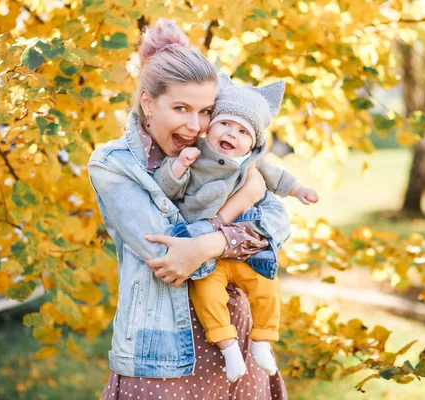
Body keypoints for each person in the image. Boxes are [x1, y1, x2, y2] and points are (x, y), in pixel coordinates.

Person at [88, 19, 290, 398]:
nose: (196, 126)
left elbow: (277, 224)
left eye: (206, 111)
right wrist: (236, 213)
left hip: (240, 340)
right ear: (148, 101)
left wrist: (209, 242)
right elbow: (168, 255)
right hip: (163, 356)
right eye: (181, 108)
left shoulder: (221, 154)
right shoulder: (115, 165)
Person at [153, 74, 319, 382]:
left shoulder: (252, 164)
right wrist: (178, 167)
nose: (232, 134)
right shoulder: (196, 155)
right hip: (207, 256)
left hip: (243, 252)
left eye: (243, 131)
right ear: (211, 126)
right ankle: (229, 349)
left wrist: (299, 191)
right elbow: (167, 188)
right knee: (205, 294)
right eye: (225, 124)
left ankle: (262, 341)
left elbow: (280, 179)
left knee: (268, 287)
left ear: (253, 143)